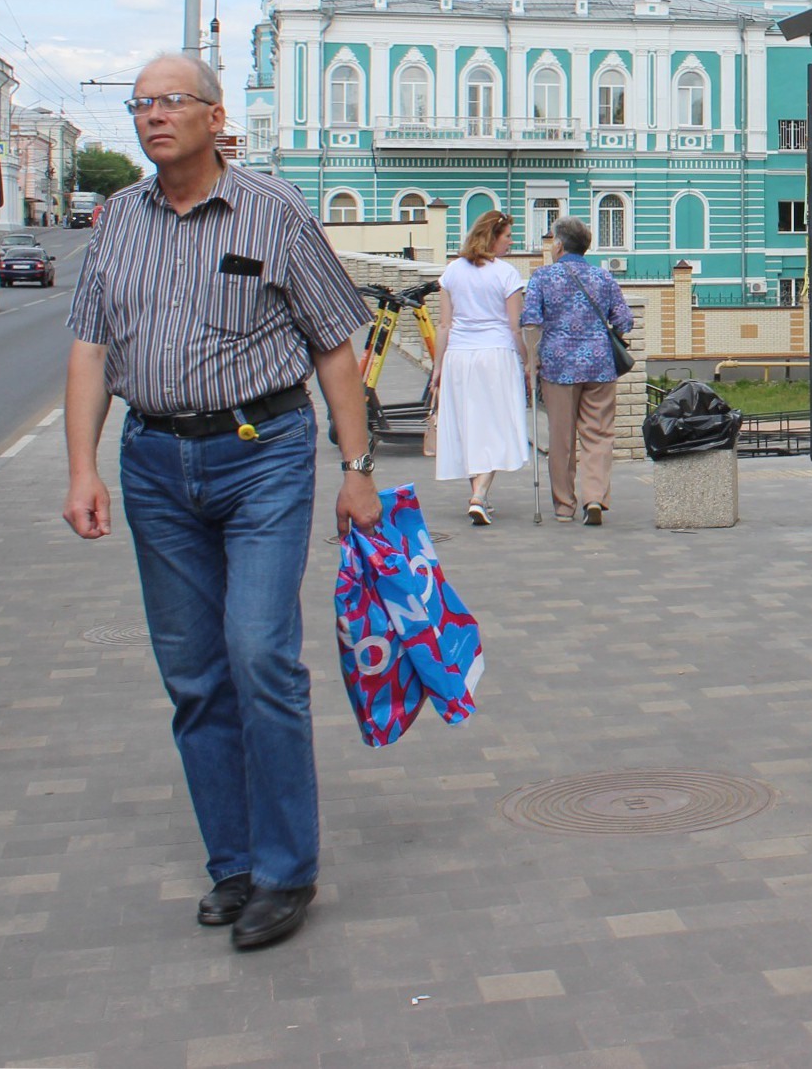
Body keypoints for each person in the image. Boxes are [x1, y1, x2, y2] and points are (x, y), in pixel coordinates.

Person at [60, 53, 381, 954]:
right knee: (194, 674)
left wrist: (355, 468)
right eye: (140, 105)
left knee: (259, 652)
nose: (153, 116)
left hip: (263, 456)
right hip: (155, 461)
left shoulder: (274, 211)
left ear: (213, 116)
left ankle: (287, 870)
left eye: (171, 102)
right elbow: (89, 349)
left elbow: (335, 349)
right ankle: (233, 862)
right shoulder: (117, 219)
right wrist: (81, 467)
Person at [520, 218, 633, 525]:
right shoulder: (603, 277)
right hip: (599, 366)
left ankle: (564, 506)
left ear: (558, 244)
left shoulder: (542, 277)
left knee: (561, 438)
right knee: (598, 435)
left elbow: (530, 322)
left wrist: (531, 360)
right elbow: (624, 321)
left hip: (558, 368)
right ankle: (594, 498)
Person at [431, 210, 531, 524]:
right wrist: (526, 360)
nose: (511, 243)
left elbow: (444, 324)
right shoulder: (506, 274)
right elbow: (516, 327)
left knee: (468, 424)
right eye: (507, 237)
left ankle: (478, 495)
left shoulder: (451, 272)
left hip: (459, 355)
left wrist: (437, 367)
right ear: (492, 237)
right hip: (496, 354)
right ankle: (480, 494)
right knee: (497, 425)